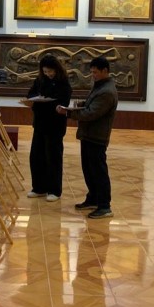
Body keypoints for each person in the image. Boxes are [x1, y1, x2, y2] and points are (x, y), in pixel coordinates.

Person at [56, 56, 118, 219]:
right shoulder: (100, 86)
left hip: (97, 136)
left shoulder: (107, 91)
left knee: (98, 171)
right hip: (89, 135)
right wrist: (80, 105)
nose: (93, 75)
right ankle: (93, 198)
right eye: (91, 72)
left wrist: (68, 113)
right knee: (89, 170)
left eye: (95, 72)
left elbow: (91, 113)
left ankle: (104, 206)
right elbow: (91, 104)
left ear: (105, 71)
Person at [23, 55, 72, 202]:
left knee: (53, 158)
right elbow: (31, 93)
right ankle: (39, 188)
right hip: (40, 124)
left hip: (55, 125)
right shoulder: (40, 80)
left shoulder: (63, 82)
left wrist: (44, 102)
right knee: (36, 156)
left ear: (56, 69)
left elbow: (63, 102)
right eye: (45, 71)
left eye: (50, 71)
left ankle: (54, 190)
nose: (48, 74)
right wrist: (32, 100)